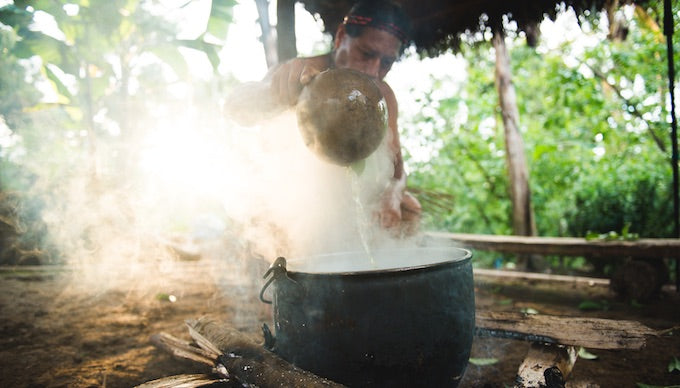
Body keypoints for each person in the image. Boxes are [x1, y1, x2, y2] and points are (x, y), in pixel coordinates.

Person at [227, 0, 421, 234]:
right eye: (366, 53)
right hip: (298, 211)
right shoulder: (300, 74)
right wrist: (275, 93)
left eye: (386, 62)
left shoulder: (384, 95)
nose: (373, 71)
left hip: (354, 209)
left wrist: (393, 193)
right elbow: (234, 106)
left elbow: (397, 170)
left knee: (410, 209)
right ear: (341, 37)